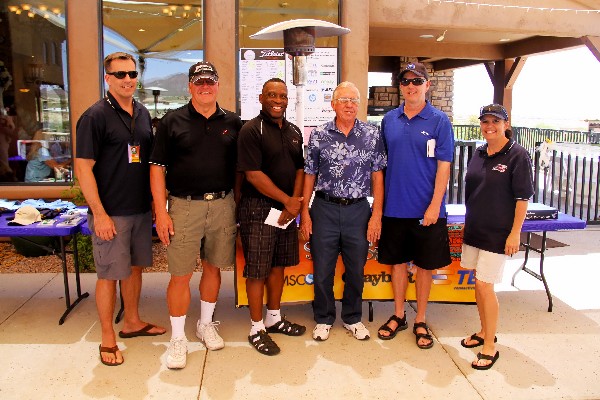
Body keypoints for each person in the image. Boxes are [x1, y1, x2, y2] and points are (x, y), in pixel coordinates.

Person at [75, 52, 166, 367]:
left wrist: (156, 204)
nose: (128, 79)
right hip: (111, 213)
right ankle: (107, 337)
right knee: (109, 275)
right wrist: (98, 213)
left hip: (140, 210)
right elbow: (83, 168)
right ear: (107, 78)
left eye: (132, 74)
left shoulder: (141, 113)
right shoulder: (94, 116)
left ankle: (132, 322)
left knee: (135, 269)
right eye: (120, 75)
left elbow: (148, 161)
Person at [149, 61, 242, 369]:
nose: (205, 86)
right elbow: (157, 169)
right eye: (199, 82)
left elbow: (243, 168)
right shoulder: (171, 122)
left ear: (218, 85)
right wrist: (161, 212)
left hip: (222, 204)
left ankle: (205, 323)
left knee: (214, 267)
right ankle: (177, 337)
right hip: (183, 205)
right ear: (190, 86)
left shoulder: (233, 122)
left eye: (210, 81)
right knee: (180, 273)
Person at [300, 81, 386, 342]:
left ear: (359, 105)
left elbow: (378, 177)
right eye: (344, 99)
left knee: (356, 268)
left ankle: (352, 317)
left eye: (354, 100)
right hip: (324, 208)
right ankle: (324, 318)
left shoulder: (372, 134)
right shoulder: (319, 134)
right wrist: (304, 212)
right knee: (323, 268)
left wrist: (376, 215)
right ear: (333, 104)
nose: (349, 104)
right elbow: (309, 175)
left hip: (358, 210)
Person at [377, 62, 454, 349]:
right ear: (401, 86)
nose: (411, 86)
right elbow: (380, 168)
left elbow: (444, 167)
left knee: (424, 267)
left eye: (417, 81)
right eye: (406, 81)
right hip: (395, 209)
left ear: (426, 85)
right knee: (397, 265)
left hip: (427, 212)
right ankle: (398, 314)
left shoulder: (439, 121)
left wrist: (434, 206)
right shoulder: (389, 120)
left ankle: (420, 318)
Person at [460, 104, 533, 370]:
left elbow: (522, 198)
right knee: (477, 285)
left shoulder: (518, 155)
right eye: (485, 121)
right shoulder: (479, 152)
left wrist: (515, 233)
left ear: (506, 124)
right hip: (475, 230)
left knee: (484, 286)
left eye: (495, 121)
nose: (489, 126)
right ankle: (482, 331)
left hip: (498, 234)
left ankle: (490, 345)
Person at [237, 78, 306, 356]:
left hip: (286, 211)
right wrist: (287, 200)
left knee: (278, 266)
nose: (278, 100)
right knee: (258, 271)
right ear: (261, 97)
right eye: (272, 95)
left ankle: (274, 318)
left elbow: (300, 169)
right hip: (258, 208)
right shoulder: (251, 130)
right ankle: (256, 328)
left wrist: (295, 204)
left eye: (283, 96)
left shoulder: (294, 131)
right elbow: (252, 174)